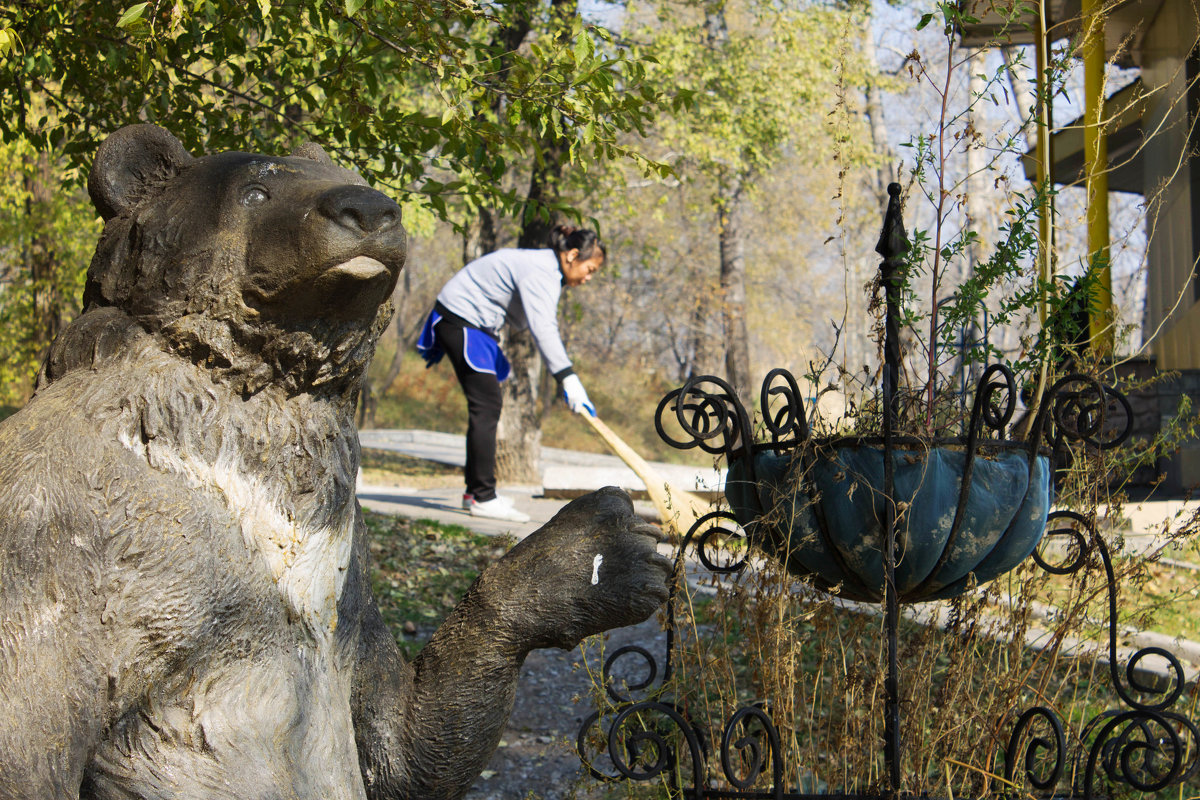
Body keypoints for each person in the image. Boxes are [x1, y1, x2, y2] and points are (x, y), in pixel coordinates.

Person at [416, 225, 604, 522]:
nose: (589, 277)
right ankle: (483, 497)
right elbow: (544, 328)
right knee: (487, 405)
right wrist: (568, 377)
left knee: (486, 405)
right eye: (590, 268)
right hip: (460, 319)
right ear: (572, 255)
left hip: (469, 323)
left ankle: (474, 492)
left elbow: (525, 319)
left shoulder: (545, 268)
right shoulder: (542, 271)